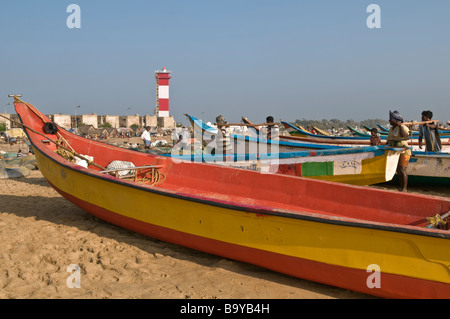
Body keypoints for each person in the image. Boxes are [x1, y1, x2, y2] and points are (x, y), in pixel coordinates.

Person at [386, 110, 411, 192]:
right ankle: (401, 187)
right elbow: (389, 140)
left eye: (391, 119)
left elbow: (405, 136)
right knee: (398, 171)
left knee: (402, 169)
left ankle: (405, 188)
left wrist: (400, 126)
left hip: (404, 152)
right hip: (395, 152)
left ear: (396, 119)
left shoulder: (403, 127)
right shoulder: (391, 129)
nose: (389, 121)